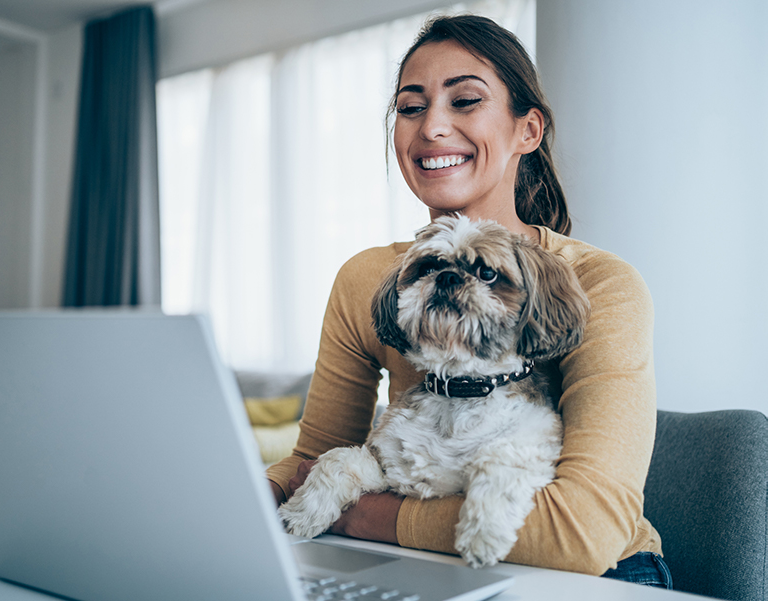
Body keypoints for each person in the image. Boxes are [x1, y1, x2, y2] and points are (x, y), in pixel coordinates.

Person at [266, 14, 671, 589]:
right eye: (411, 107)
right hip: (423, 564)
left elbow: (583, 536)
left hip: (605, 576)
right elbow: (317, 457)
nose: (432, 127)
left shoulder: (600, 283)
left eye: (464, 101)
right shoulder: (370, 279)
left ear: (526, 131)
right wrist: (251, 495)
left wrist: (360, 513)